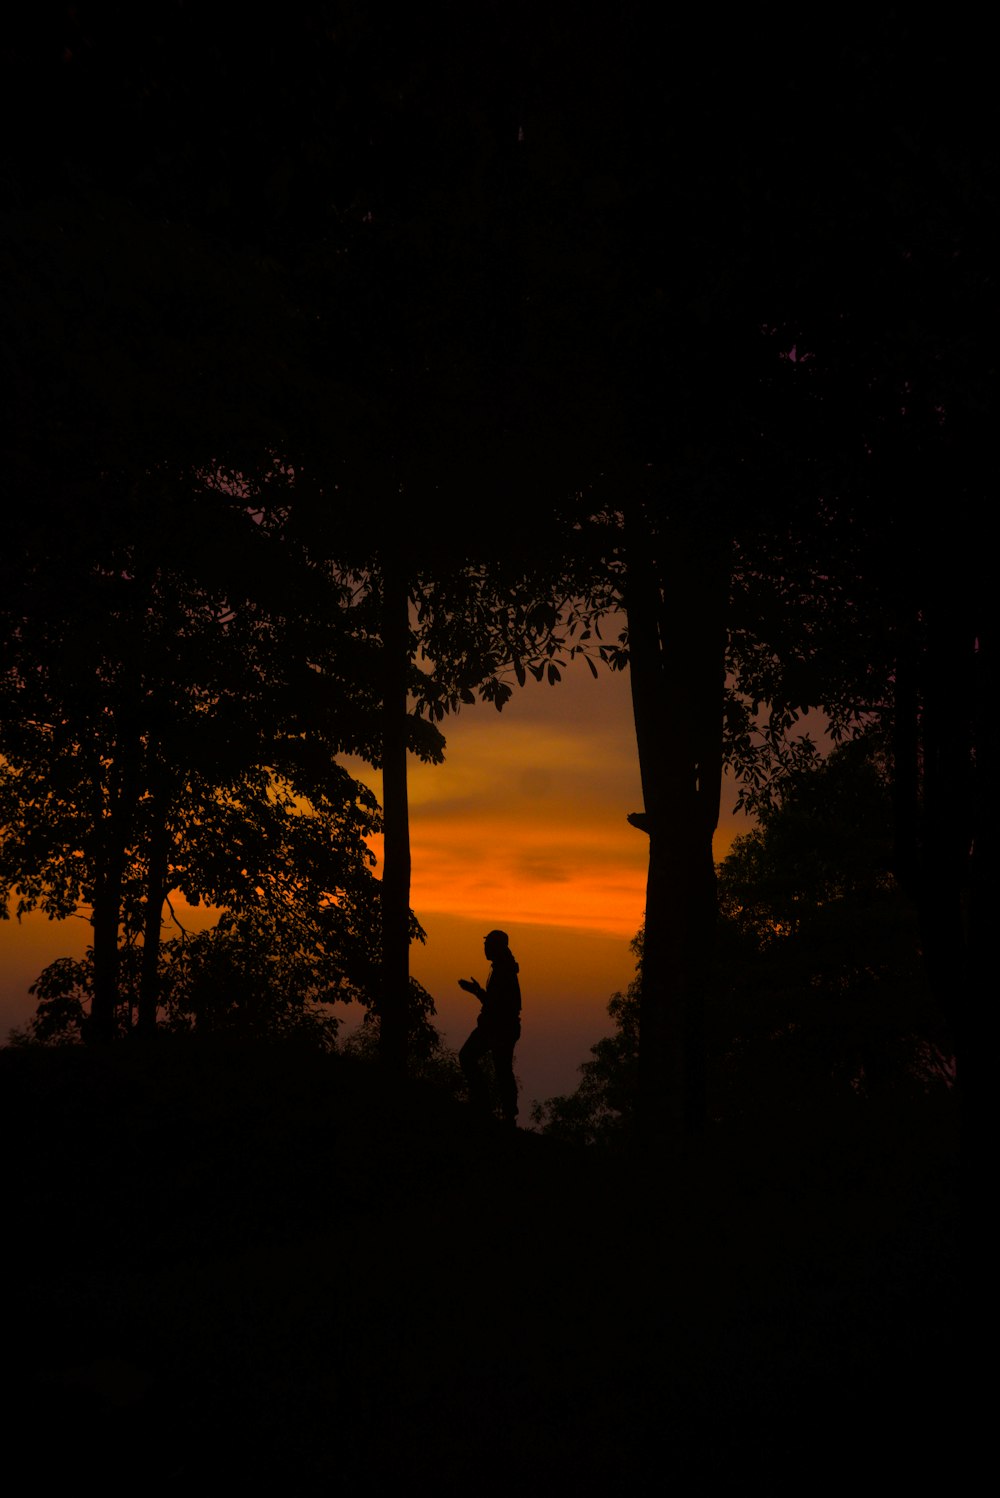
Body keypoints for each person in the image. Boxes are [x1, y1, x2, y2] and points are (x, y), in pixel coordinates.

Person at [458, 929, 521, 1127]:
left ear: (496, 947)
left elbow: (499, 1005)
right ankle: (500, 1110)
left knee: (473, 1059)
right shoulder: (503, 969)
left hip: (499, 1028)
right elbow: (496, 1002)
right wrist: (478, 991)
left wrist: (476, 992)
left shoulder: (504, 971)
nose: (484, 948)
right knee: (500, 1069)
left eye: (487, 945)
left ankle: (490, 1107)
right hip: (499, 1027)